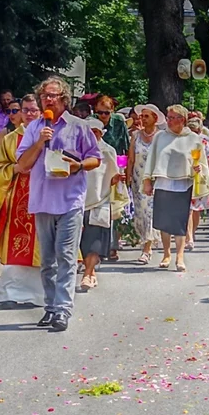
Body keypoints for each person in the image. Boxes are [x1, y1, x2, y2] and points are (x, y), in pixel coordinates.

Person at [15, 76, 101, 332]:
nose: (47, 100)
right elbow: (22, 165)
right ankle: (50, 306)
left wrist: (78, 166)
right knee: (47, 261)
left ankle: (63, 309)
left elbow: (95, 159)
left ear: (64, 99)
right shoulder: (34, 128)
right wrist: (40, 142)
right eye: (44, 96)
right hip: (42, 200)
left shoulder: (79, 126)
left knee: (65, 256)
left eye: (52, 96)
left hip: (70, 201)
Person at [0, 95, 45, 307]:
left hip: (45, 195)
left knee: (43, 243)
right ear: (20, 112)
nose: (29, 114)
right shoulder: (11, 139)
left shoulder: (50, 134)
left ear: (40, 112)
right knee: (18, 244)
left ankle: (42, 294)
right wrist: (14, 168)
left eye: (33, 110)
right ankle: (12, 292)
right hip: (19, 196)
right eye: (26, 110)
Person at [143, 105, 209, 272]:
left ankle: (180, 256)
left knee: (179, 222)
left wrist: (197, 170)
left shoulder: (193, 138)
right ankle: (166, 254)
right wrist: (147, 180)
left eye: (173, 118)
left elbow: (201, 162)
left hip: (183, 183)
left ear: (182, 120)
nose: (169, 121)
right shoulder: (160, 137)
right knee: (164, 222)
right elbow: (152, 159)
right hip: (163, 182)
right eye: (168, 117)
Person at [79, 118, 123, 289]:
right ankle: (90, 272)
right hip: (77, 201)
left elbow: (112, 177)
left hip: (100, 200)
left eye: (95, 132)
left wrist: (117, 178)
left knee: (94, 241)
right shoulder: (75, 151)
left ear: (100, 134)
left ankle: (87, 274)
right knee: (80, 241)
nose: (91, 136)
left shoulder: (108, 151)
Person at [128, 104, 164, 264]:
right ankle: (144, 239)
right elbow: (131, 159)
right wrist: (128, 177)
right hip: (138, 179)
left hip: (154, 180)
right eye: (141, 116)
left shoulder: (161, 136)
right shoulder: (135, 136)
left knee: (149, 212)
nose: (142, 119)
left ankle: (147, 249)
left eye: (146, 116)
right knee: (140, 213)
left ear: (155, 119)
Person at [185, 117, 209, 249]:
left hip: (201, 178)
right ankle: (189, 237)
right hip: (186, 176)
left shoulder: (203, 142)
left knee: (196, 209)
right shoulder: (183, 141)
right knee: (188, 209)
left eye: (195, 130)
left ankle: (192, 231)